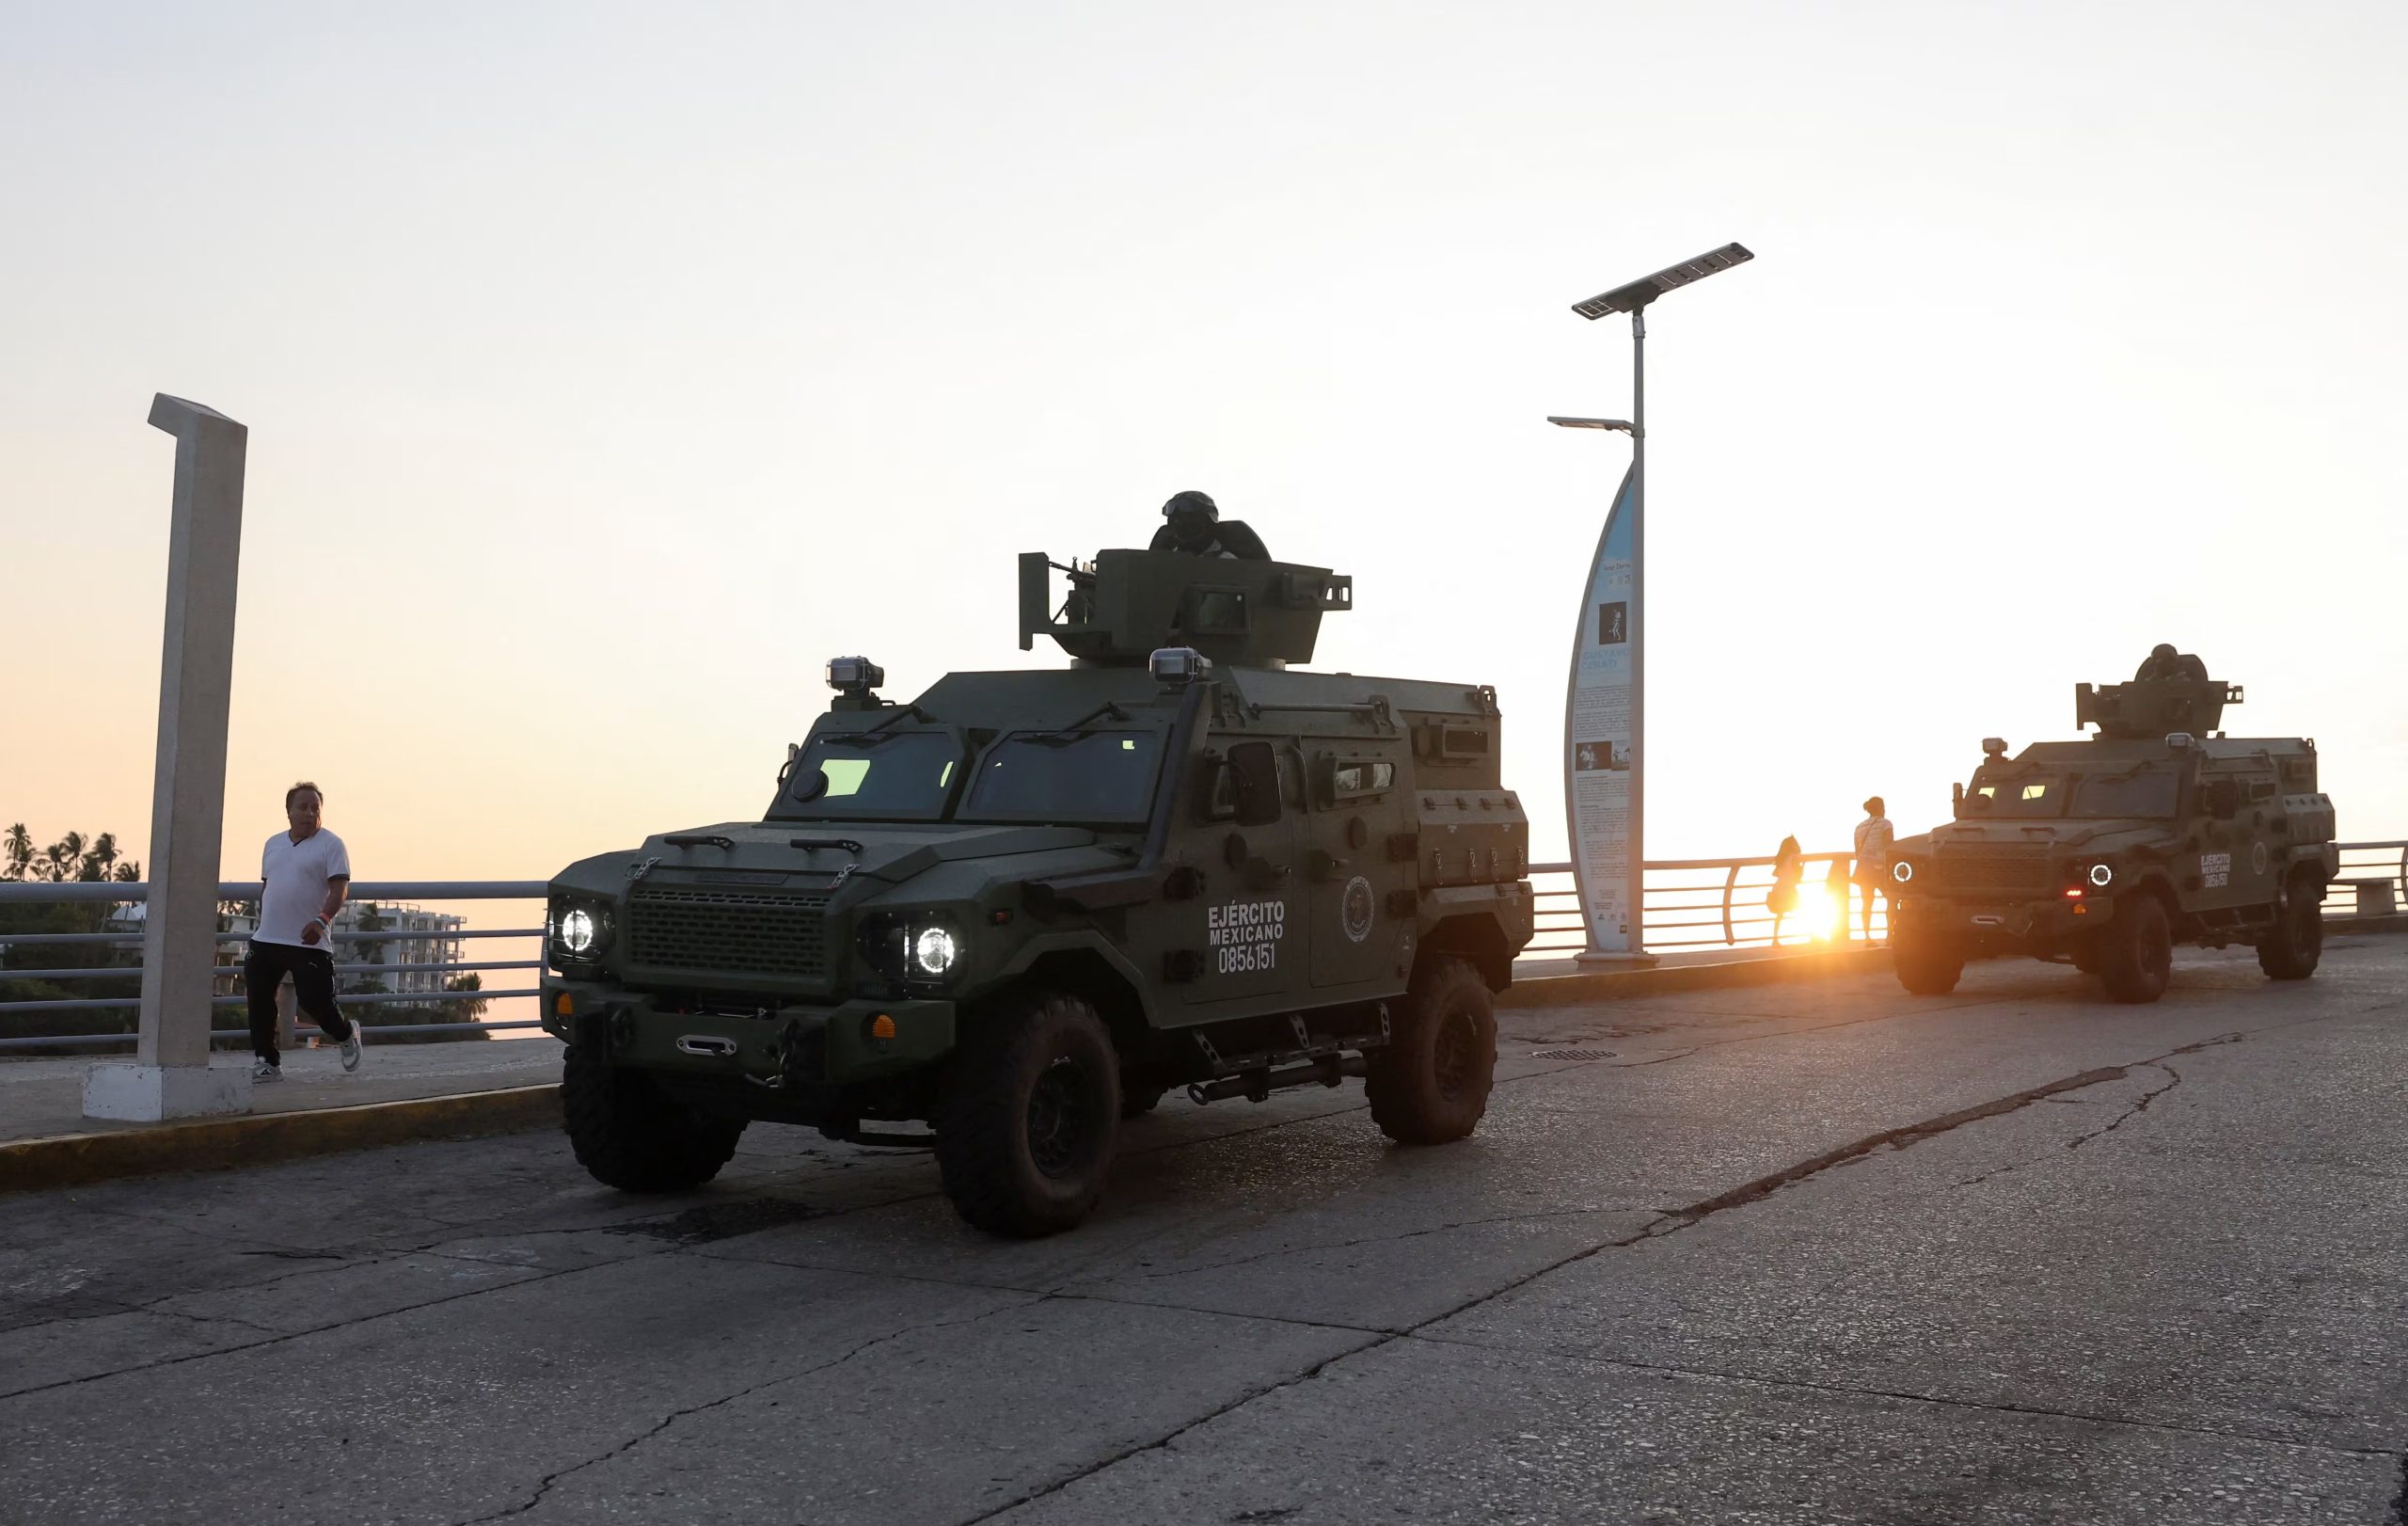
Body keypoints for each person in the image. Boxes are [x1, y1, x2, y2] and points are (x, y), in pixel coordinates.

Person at [244, 782, 364, 1081]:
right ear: (289, 812)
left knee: (315, 1002)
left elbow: (340, 890)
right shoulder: (272, 844)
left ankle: (346, 1033)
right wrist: (262, 923)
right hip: (267, 938)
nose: (309, 814)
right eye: (303, 807)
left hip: (309, 940)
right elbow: (268, 886)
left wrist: (321, 920)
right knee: (258, 999)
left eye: (315, 808)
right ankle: (267, 1062)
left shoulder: (331, 844)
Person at [1149, 490, 1271, 560]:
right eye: (1176, 520)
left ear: (1208, 522)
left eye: (1190, 518)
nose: (1182, 525)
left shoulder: (1226, 561)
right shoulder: (1167, 559)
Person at [1853, 796, 1894, 943]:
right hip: (1879, 867)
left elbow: (1857, 852)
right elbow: (1890, 846)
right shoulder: (1886, 824)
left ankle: (1867, 937)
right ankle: (1890, 935)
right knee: (1891, 899)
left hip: (1863, 868)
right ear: (1882, 808)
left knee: (1867, 902)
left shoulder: (1859, 827)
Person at [1766, 835, 1804, 944]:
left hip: (1780, 887)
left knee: (1780, 914)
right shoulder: (1795, 857)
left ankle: (1775, 939)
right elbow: (1798, 875)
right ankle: (1812, 934)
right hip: (1788, 888)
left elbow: (1775, 873)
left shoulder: (1782, 858)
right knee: (1799, 907)